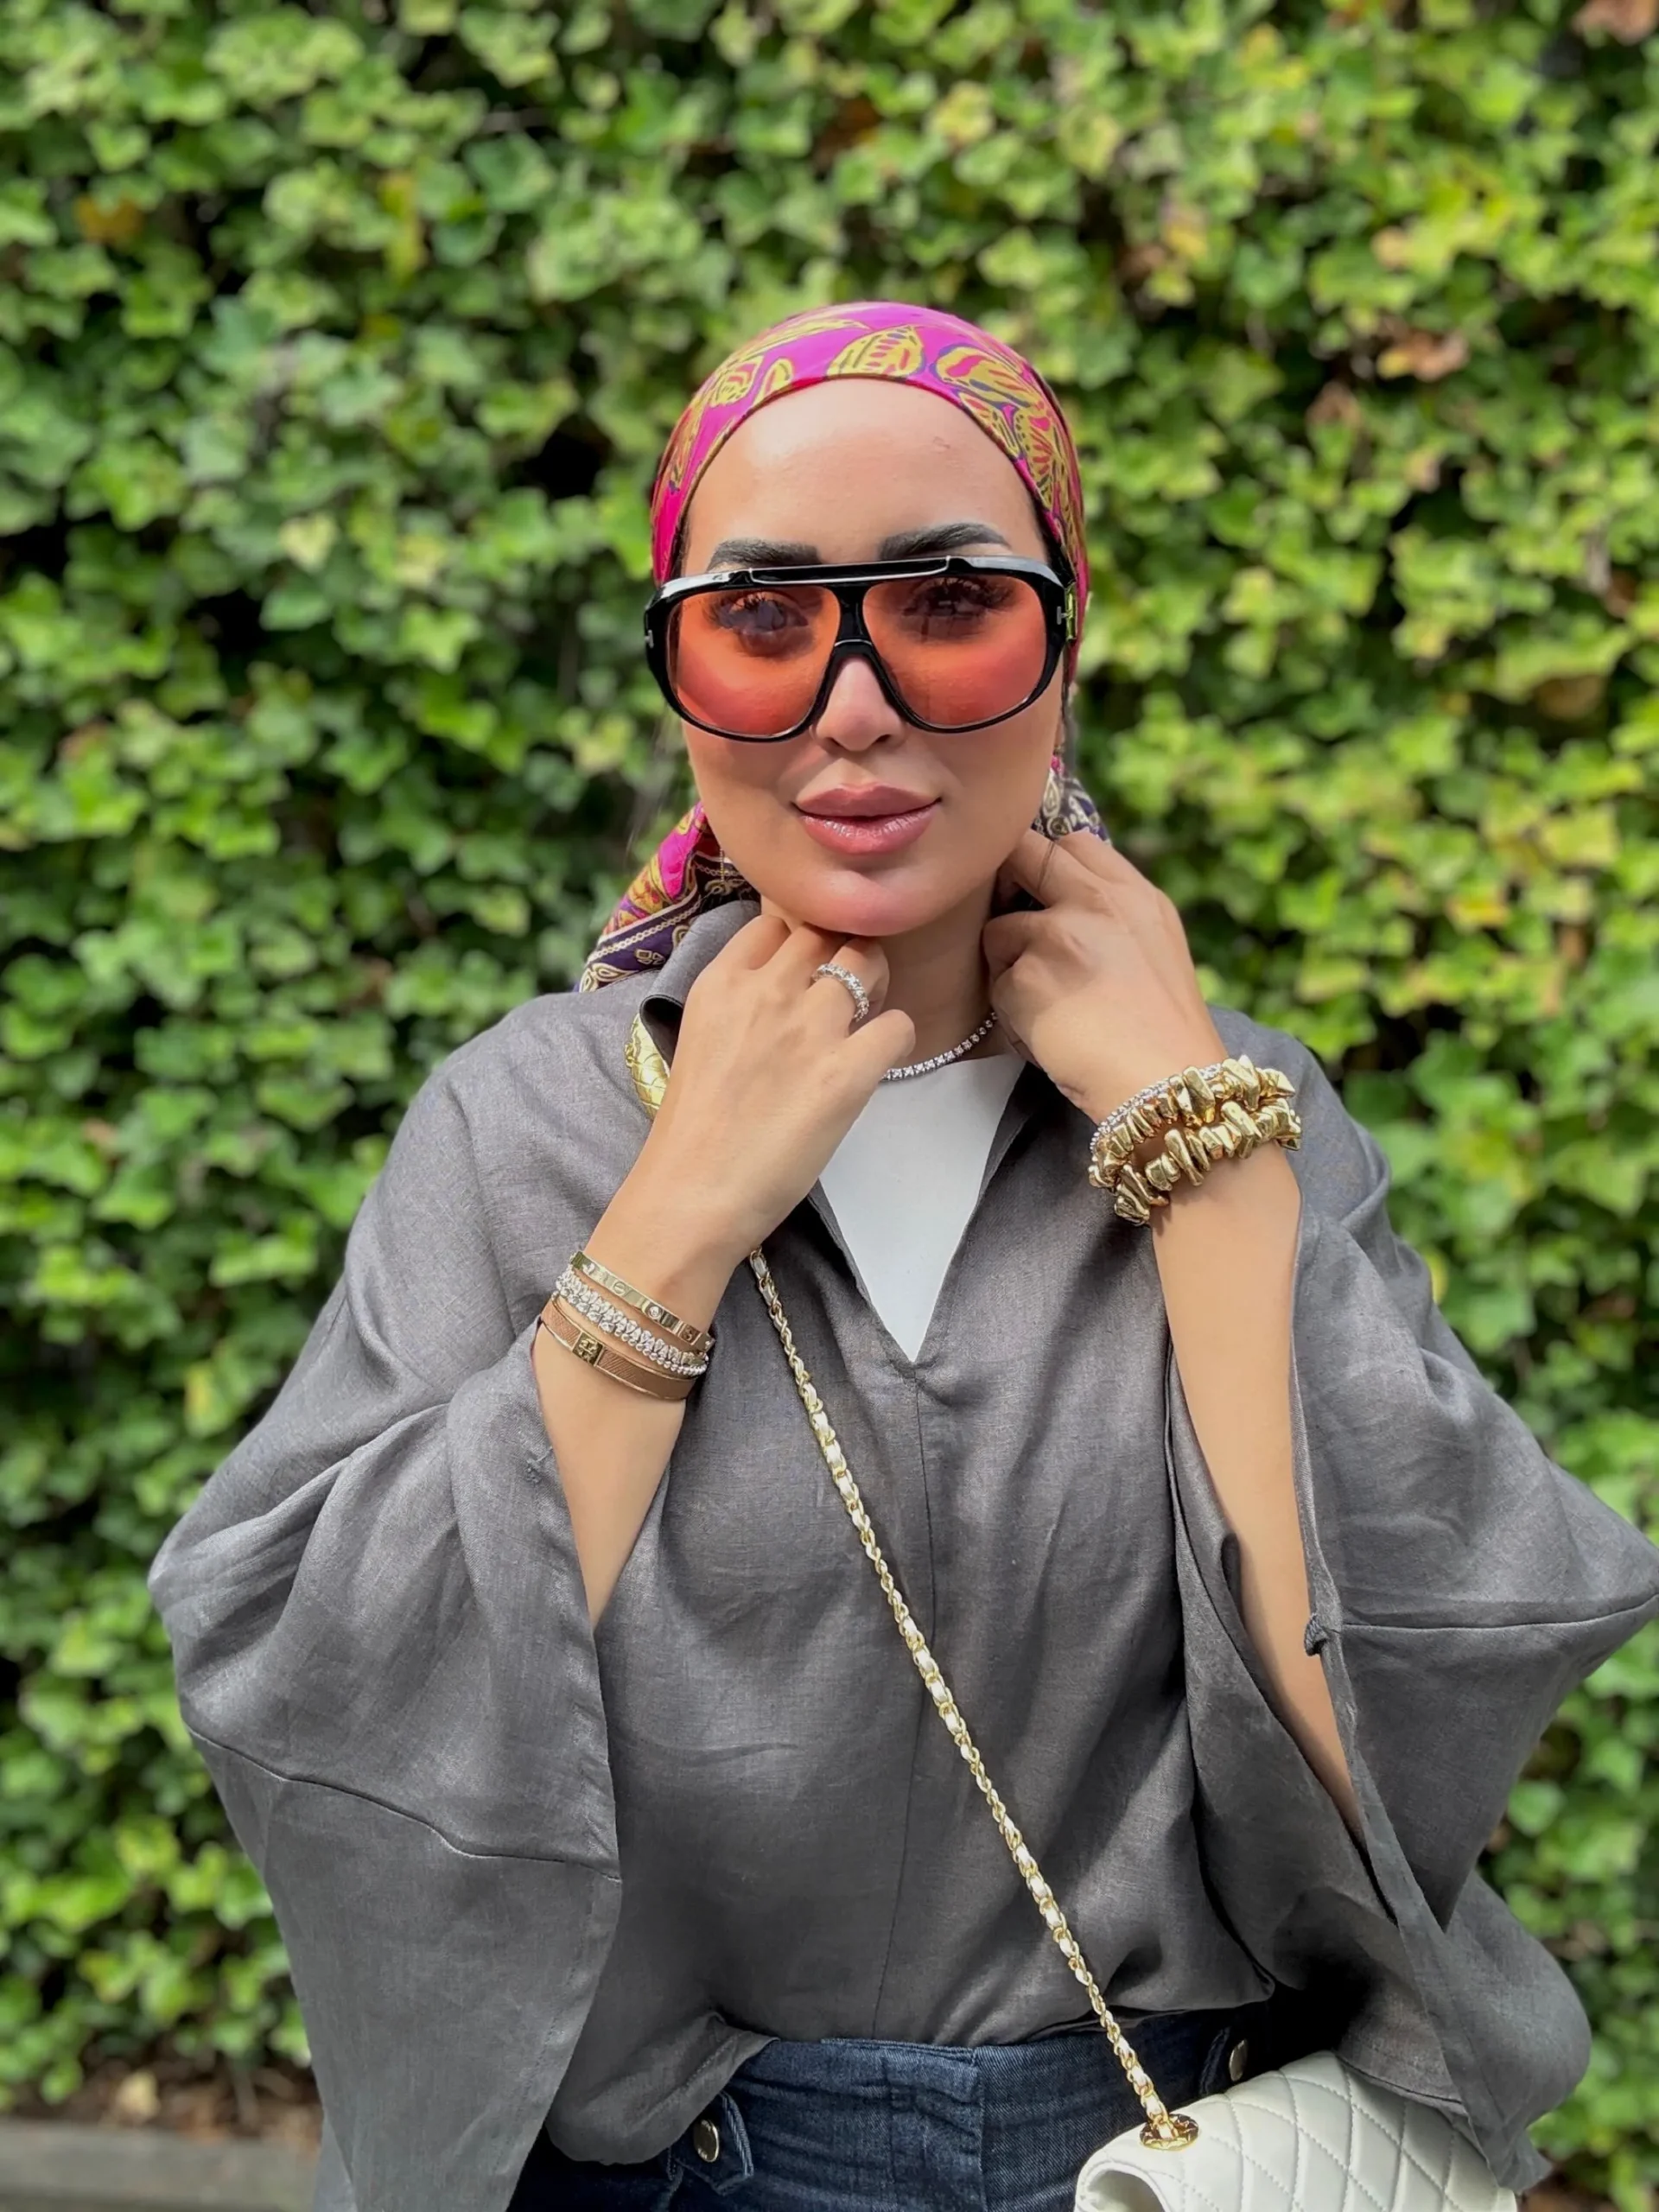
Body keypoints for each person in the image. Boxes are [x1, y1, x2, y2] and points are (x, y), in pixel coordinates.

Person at [148, 302, 1659, 2212]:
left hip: (1159, 2163)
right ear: (681, 675)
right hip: (672, 2173)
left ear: (1064, 645)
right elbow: (320, 1685)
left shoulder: (1243, 1102)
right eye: (760, 616)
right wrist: (680, 1215)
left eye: (949, 603)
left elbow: (1402, 1730)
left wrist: (1201, 1155)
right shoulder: (525, 1122)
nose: (852, 702)